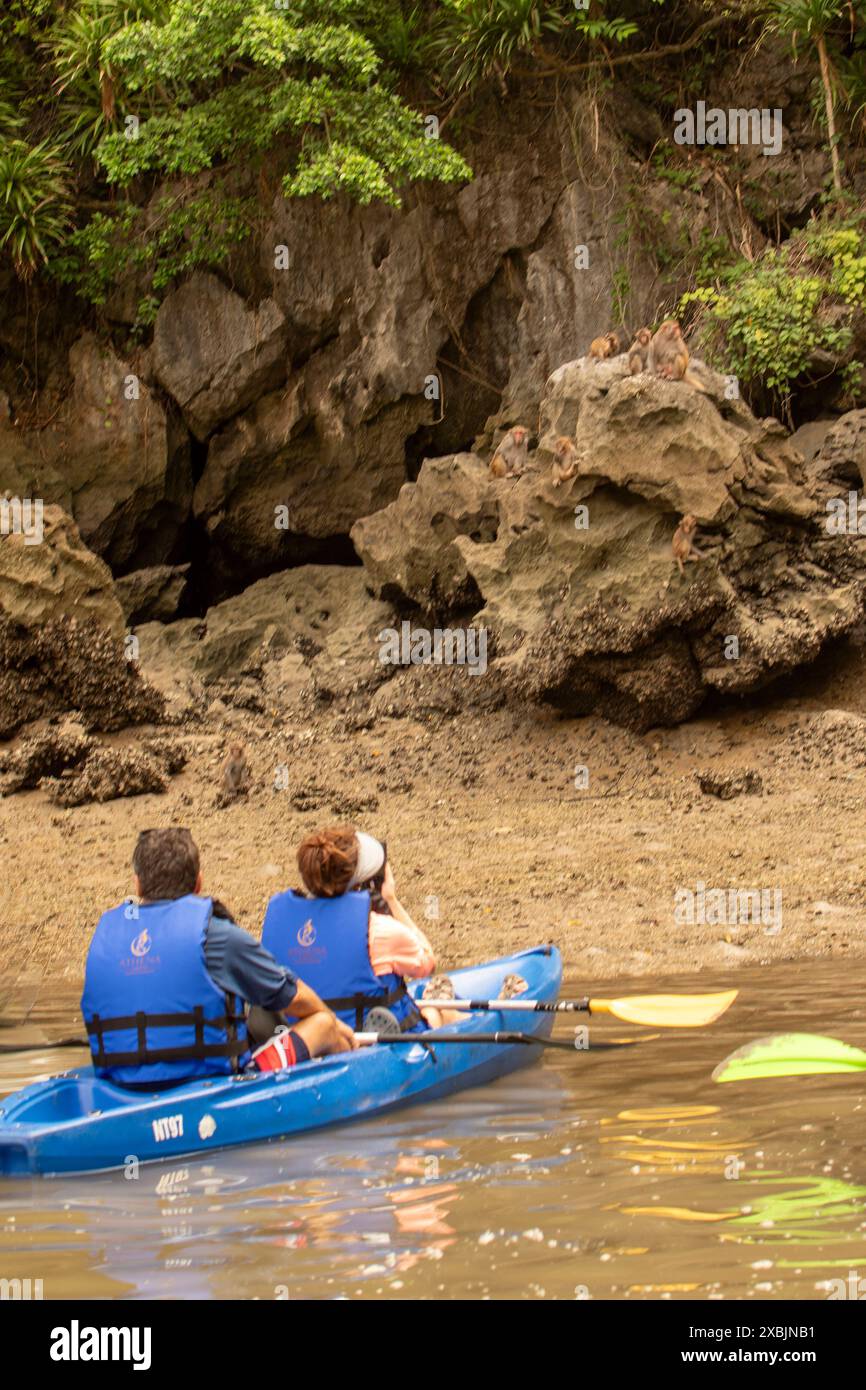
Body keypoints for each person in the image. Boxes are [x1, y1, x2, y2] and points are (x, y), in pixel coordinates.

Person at [80, 828, 355, 1089]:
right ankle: (353, 1061)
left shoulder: (107, 938)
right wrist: (337, 1024)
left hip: (120, 1085)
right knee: (323, 1024)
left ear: (137, 885)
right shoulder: (217, 936)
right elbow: (293, 997)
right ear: (199, 883)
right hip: (210, 1085)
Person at [261, 825, 457, 1033]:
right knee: (440, 1012)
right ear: (360, 879)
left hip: (303, 1038)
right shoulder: (380, 930)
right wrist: (391, 899)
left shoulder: (281, 926)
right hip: (369, 1038)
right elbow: (427, 965)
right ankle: (439, 1010)